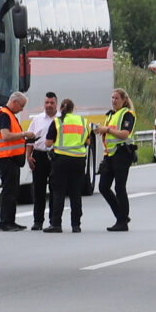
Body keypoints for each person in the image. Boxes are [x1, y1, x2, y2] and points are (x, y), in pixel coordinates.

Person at [0, 91, 32, 230]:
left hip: (11, 158)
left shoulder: (9, 115)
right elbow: (6, 136)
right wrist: (24, 134)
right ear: (15, 102)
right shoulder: (4, 115)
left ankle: (10, 221)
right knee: (8, 191)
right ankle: (5, 222)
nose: (22, 109)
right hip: (6, 158)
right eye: (22, 106)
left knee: (13, 191)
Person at [97, 86, 138, 231]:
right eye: (112, 98)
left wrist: (107, 130)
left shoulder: (127, 114)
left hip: (122, 154)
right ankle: (122, 216)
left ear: (124, 100)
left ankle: (122, 222)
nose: (113, 101)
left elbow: (124, 134)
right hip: (109, 155)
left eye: (117, 98)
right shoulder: (110, 115)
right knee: (103, 187)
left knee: (120, 188)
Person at [49, 97, 92, 233]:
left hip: (61, 160)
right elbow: (88, 141)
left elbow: (48, 143)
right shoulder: (83, 121)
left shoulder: (57, 121)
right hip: (78, 160)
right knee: (75, 193)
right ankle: (76, 225)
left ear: (61, 108)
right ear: (73, 109)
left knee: (59, 193)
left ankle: (56, 224)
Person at [27, 91, 59, 230]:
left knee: (55, 190)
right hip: (39, 156)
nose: (49, 105)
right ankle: (38, 221)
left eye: (52, 103)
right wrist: (28, 156)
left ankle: (54, 221)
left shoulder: (61, 119)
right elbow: (30, 140)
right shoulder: (37, 119)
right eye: (46, 102)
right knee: (39, 190)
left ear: (56, 104)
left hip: (55, 157)